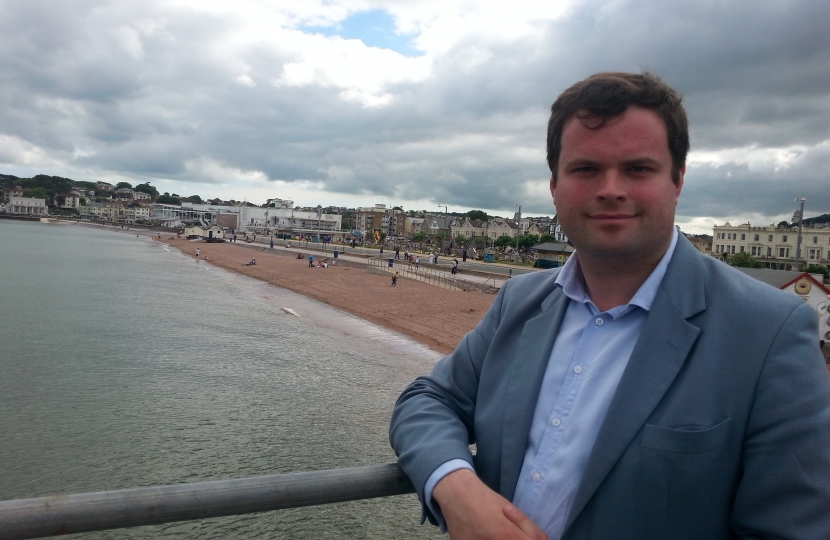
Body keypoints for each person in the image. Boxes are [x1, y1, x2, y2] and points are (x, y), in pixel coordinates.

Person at [389, 72, 830, 540]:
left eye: (638, 169)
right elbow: (427, 400)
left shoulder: (770, 331)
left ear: (677, 179)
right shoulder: (521, 301)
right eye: (585, 169)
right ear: (555, 185)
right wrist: (456, 488)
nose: (610, 189)